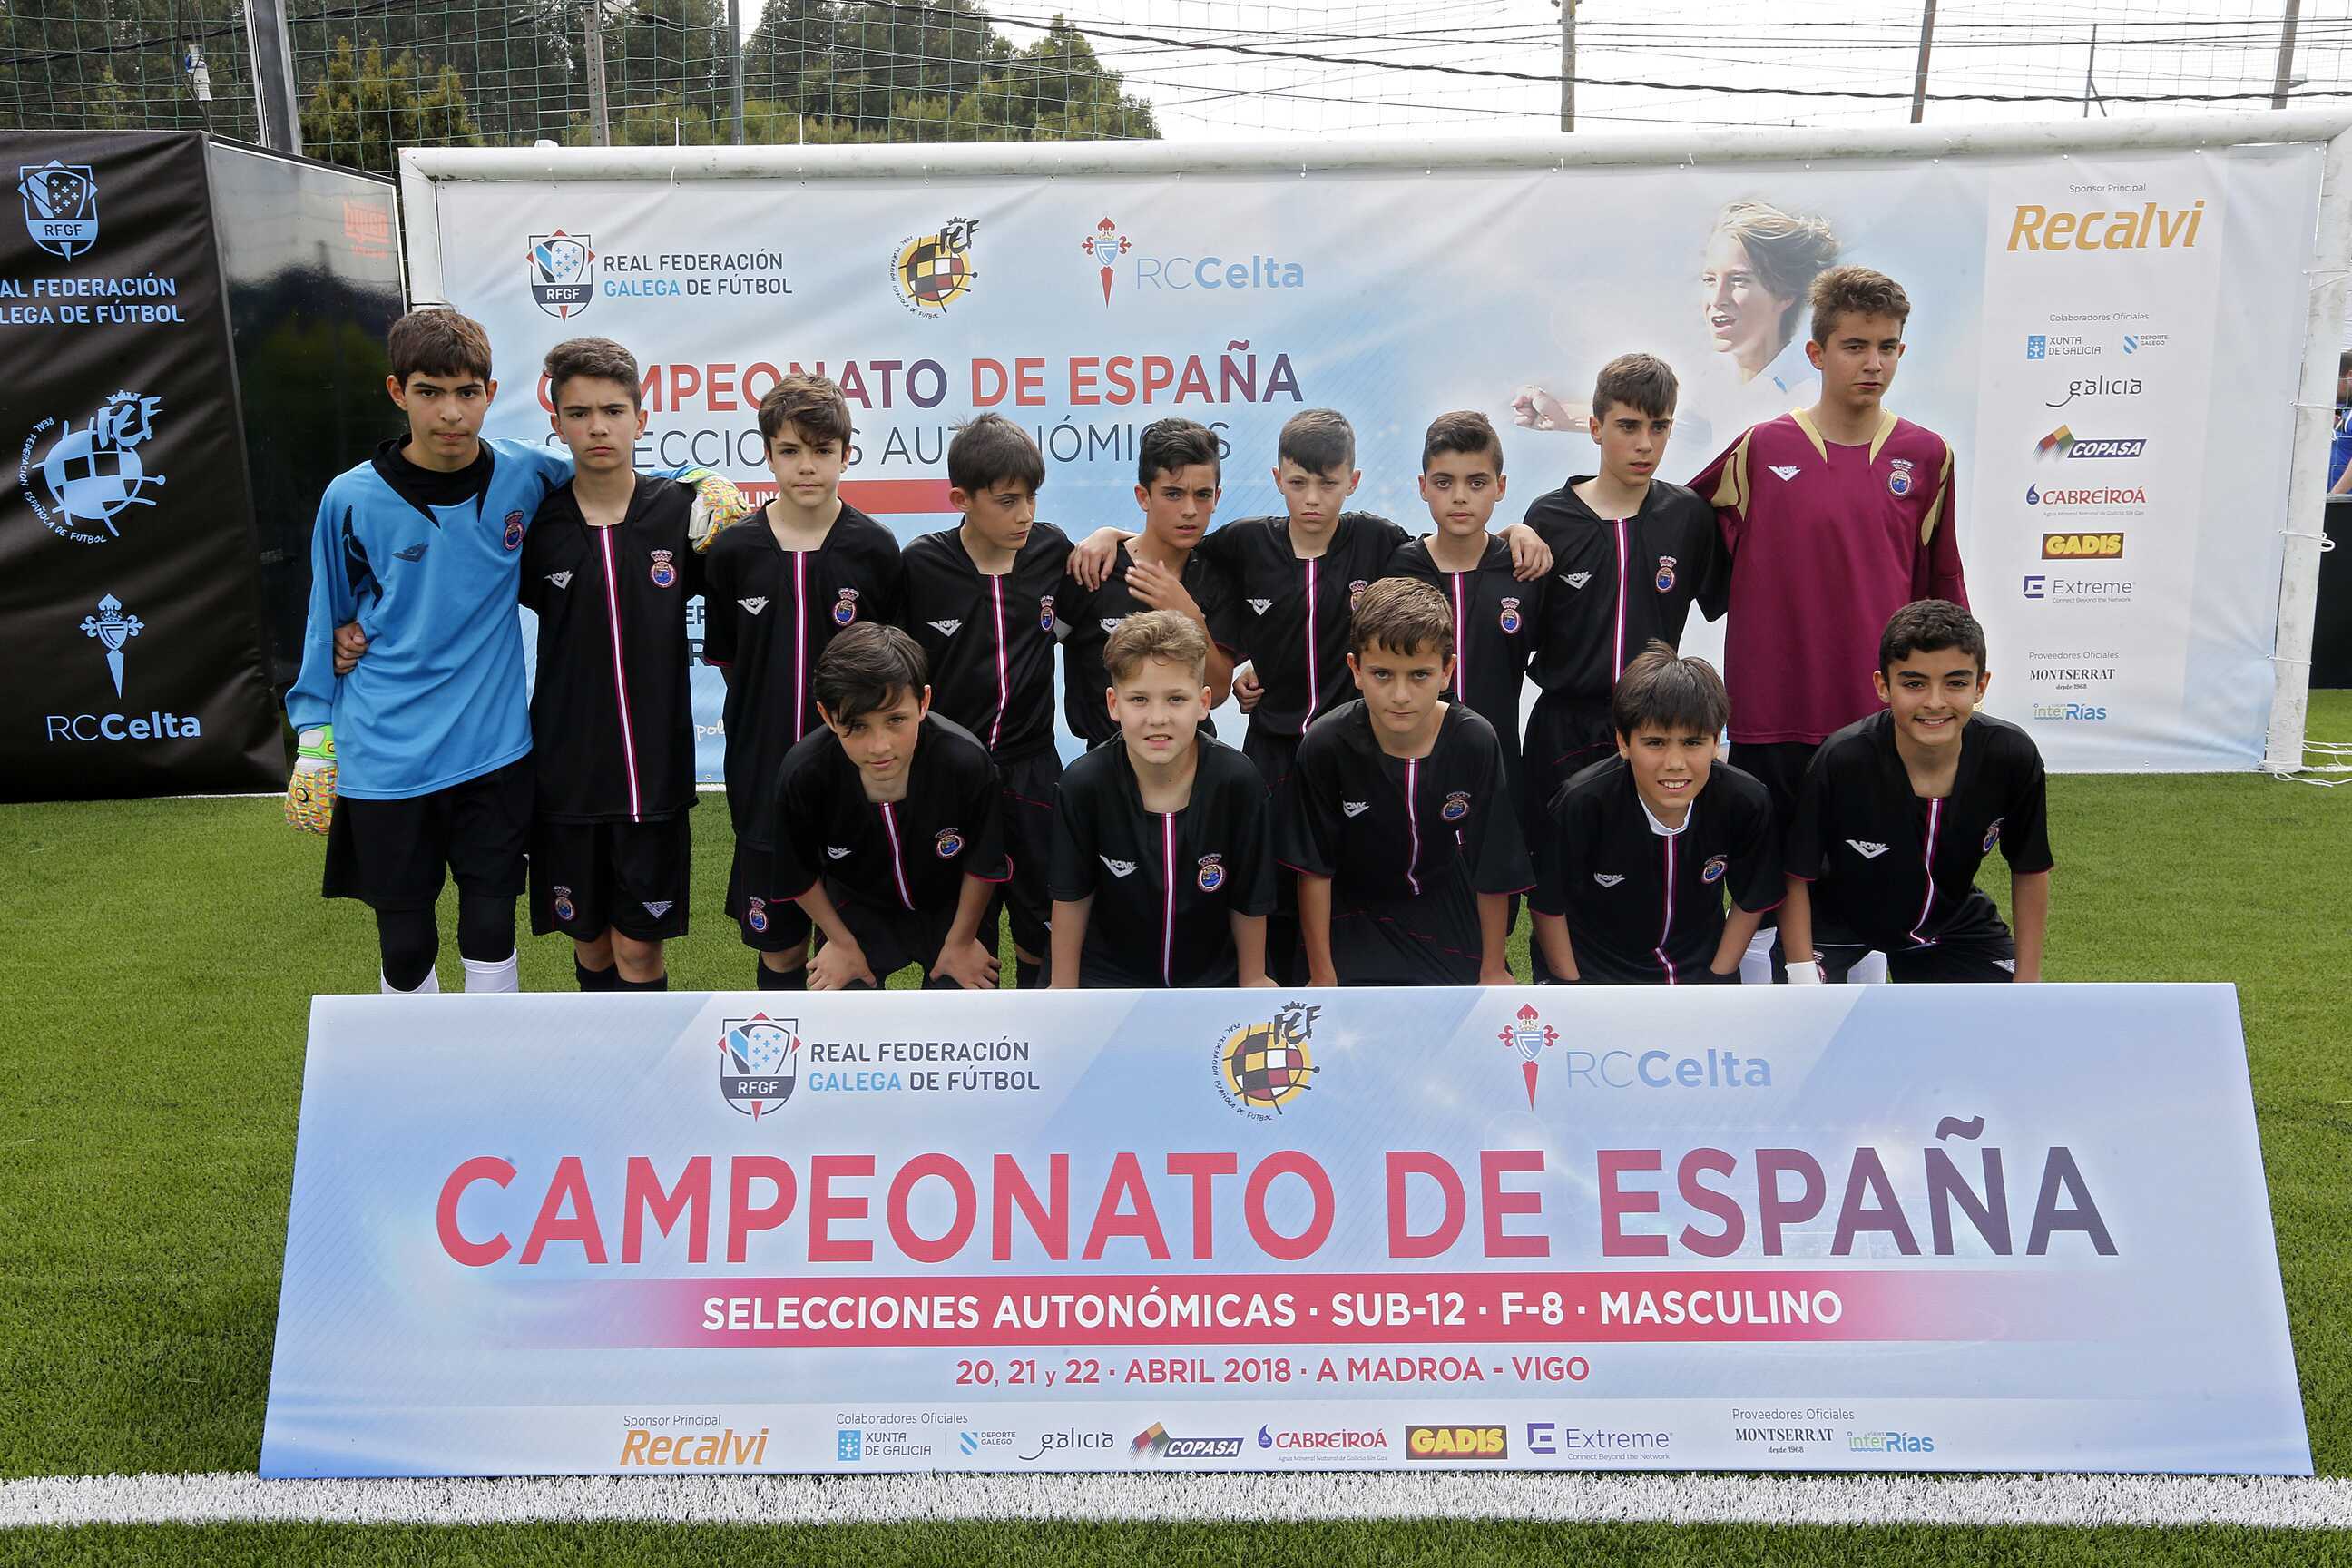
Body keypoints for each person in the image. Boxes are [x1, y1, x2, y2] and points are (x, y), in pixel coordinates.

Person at [284, 308, 740, 995]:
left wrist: (704, 477)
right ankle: (421, 1062)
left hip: (494, 751)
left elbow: (618, 471)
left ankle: (493, 1059)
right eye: (429, 392)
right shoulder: (349, 499)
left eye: (466, 392)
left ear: (489, 394)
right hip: (387, 751)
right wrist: (315, 737)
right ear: (397, 391)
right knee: (406, 945)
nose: (450, 412)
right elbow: (329, 621)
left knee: (491, 929)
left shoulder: (525, 475)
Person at [1070, 408, 1550, 980]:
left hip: (1354, 752)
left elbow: (1452, 539)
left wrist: (1515, 532)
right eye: (1299, 483)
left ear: (1353, 481)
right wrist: (1109, 534)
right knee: (1268, 884)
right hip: (1272, 749)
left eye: (1328, 483)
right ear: (1278, 480)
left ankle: (1355, 977)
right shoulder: (1245, 543)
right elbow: (1175, 539)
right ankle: (1270, 991)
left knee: (1351, 879)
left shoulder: (1378, 542)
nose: (1314, 498)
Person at [1690, 264, 1966, 839]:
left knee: (1869, 869)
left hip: (1877, 711)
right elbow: (1665, 525)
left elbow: (1943, 585)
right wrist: (1548, 527)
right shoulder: (1761, 449)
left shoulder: (1927, 456)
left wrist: (1952, 685)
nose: (1873, 364)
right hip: (1773, 709)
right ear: (1816, 353)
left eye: (1887, 347)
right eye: (1855, 346)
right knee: (1768, 872)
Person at [1517, 354, 1724, 978]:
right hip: (1564, 728)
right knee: (1556, 874)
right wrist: (1506, 534)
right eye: (1629, 426)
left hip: (1654, 728)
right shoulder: (1547, 518)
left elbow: (1738, 598)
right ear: (1595, 428)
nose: (1644, 444)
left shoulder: (1688, 516)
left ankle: (1663, 989)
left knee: (1650, 869)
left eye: (1659, 428)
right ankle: (1559, 992)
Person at [516, 338, 707, 992]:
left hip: (654, 778)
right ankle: (600, 1058)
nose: (597, 427)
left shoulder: (682, 512)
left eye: (613, 411)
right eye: (579, 413)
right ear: (557, 423)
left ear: (641, 418)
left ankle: (647, 1063)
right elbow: (460, 602)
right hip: (565, 776)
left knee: (639, 952)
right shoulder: (538, 525)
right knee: (592, 947)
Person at [702, 374, 904, 992]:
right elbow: (732, 662)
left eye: (822, 450)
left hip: (855, 782)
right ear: (768, 454)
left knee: (856, 953)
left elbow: (893, 672)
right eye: (790, 451)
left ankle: (851, 1056)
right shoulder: (733, 551)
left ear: (847, 454)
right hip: (762, 778)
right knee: (782, 950)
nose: (807, 466)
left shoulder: (875, 549)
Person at [1779, 600, 2051, 984]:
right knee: (1803, 1016)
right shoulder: (1843, 758)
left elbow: (2030, 867)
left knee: (2008, 1016)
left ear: (1980, 685)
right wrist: (1802, 973)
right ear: (1883, 686)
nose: (1935, 702)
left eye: (1956, 683)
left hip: (1953, 925)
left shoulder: (2011, 755)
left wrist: (2028, 979)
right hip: (1835, 927)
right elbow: (1796, 874)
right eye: (1914, 684)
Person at [1280, 578, 1532, 986]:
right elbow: (1314, 869)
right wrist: (1322, 974)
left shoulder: (1474, 740)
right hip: (1353, 907)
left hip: (1443, 897)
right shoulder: (1327, 743)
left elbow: (1494, 862)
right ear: (1356, 669)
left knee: (1462, 1016)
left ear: (1446, 671)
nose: (1400, 695)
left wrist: (1492, 968)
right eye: (1382, 674)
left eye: (1419, 675)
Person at [899, 413, 1069, 989]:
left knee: (1043, 932)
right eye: (1007, 501)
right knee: (957, 939)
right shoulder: (920, 565)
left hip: (1033, 770)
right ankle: (959, 1035)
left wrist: (1109, 535)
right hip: (948, 775)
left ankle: (1040, 1033)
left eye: (1032, 499)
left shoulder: (1052, 551)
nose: (1025, 515)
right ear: (961, 500)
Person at [755, 623, 1007, 991]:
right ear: (827, 715)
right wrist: (840, 942)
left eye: (895, 720)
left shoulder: (965, 761)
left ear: (923, 702)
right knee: (844, 1007)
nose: (880, 746)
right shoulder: (804, 772)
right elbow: (796, 873)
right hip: (855, 905)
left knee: (962, 1004)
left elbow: (983, 862)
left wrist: (961, 941)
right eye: (857, 726)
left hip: (951, 907)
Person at [1049, 611, 1276, 988]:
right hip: (1108, 980)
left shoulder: (1238, 782)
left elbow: (1248, 897)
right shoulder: (1084, 785)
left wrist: (1252, 980)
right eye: (1139, 699)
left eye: (1176, 699)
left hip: (1211, 979)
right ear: (1113, 703)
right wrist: (1063, 989)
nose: (1158, 718)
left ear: (1203, 702)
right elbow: (1073, 897)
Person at [1513, 197, 1839, 459]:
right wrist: (1561, 415)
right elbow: (1659, 422)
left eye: (1739, 280)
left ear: (1783, 294)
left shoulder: (1810, 395)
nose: (1717, 299)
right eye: (1710, 280)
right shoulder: (1718, 381)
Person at [1530, 643, 1779, 985]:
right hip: (1598, 970)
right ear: (1623, 743)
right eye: (1655, 743)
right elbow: (1547, 906)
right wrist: (1572, 986)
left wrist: (1718, 975)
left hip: (1698, 966)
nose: (1675, 763)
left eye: (1692, 743)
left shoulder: (1745, 800)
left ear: (1715, 740)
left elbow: (1751, 897)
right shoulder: (1581, 803)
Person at [1381, 410, 1540, 811]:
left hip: (1502, 773)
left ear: (1501, 487)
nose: (1459, 496)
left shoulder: (1523, 570)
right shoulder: (1396, 567)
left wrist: (1519, 530)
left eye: (1477, 482)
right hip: (1409, 775)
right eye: (1443, 482)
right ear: (1423, 486)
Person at [1054, 417, 1242, 750]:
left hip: (1192, 765)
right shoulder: (1094, 569)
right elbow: (1029, 653)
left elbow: (1216, 693)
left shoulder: (1217, 576)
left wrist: (1188, 614)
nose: (1189, 510)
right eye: (1173, 494)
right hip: (1104, 767)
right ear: (1143, 496)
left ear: (1217, 497)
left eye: (1202, 495)